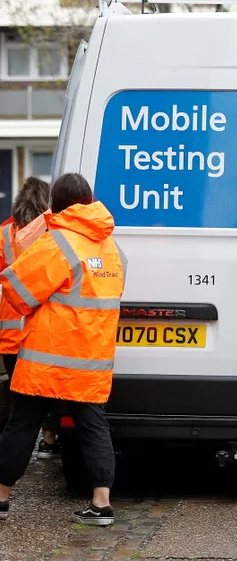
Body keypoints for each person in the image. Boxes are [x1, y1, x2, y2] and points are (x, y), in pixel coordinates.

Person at [0, 173, 126, 525]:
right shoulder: (111, 247)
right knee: (93, 426)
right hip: (93, 358)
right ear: (89, 200)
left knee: (23, 423)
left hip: (48, 357)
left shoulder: (57, 243)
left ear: (58, 203)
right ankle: (101, 504)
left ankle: (1, 495)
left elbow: (17, 292)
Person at [0, 177, 60, 458]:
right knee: (49, 390)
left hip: (11, 331)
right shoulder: (53, 231)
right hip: (43, 328)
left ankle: (13, 450)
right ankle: (48, 439)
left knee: (19, 399)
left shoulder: (4, 233)